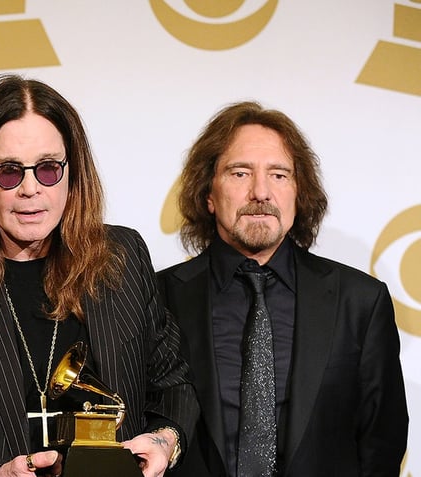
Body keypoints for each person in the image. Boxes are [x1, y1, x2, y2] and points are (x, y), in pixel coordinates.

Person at [0, 74, 198, 477]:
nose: (30, 189)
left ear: (72, 173)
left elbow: (173, 386)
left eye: (47, 169)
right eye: (9, 171)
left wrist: (164, 441)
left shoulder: (123, 258)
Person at [157, 101, 408, 476]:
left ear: (297, 192)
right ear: (208, 194)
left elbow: (381, 444)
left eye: (279, 175)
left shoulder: (360, 301)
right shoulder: (159, 298)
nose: (261, 192)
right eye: (240, 173)